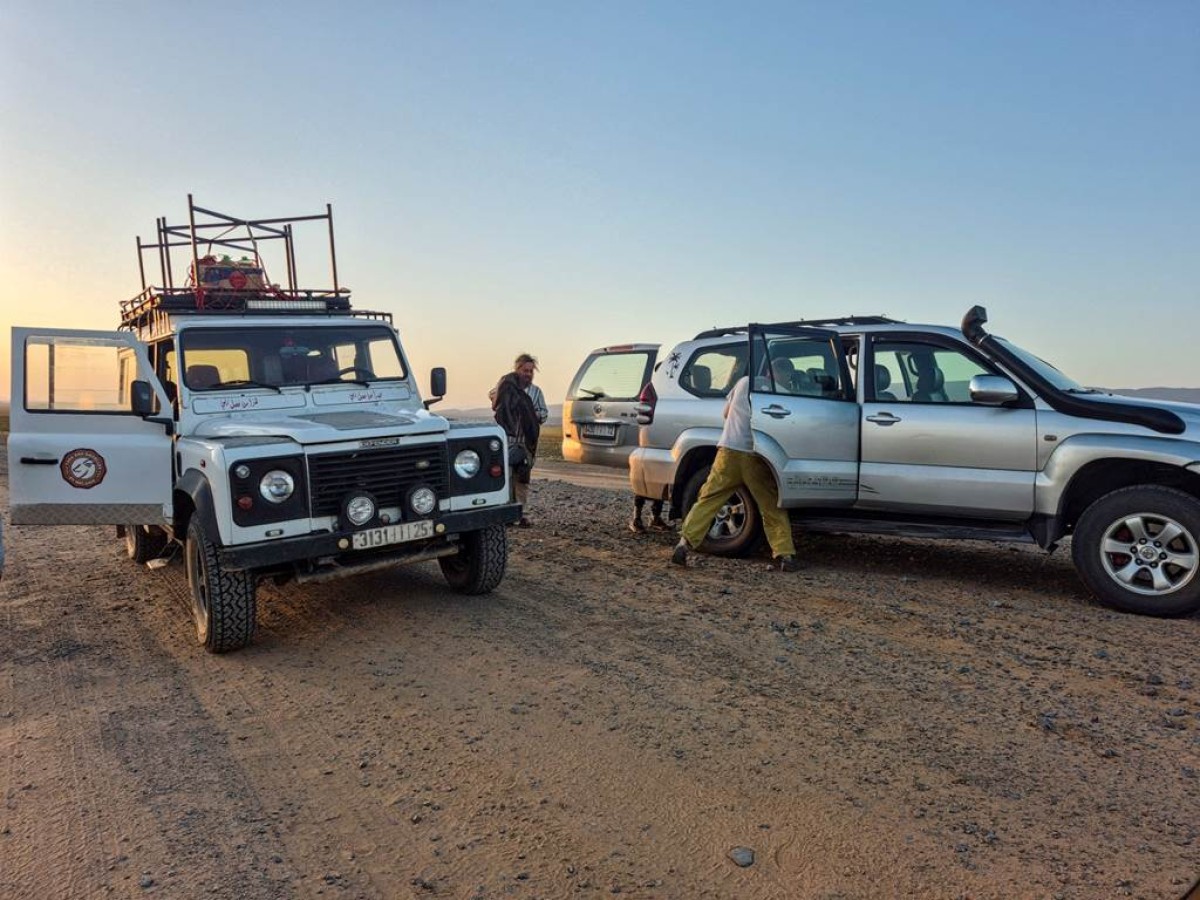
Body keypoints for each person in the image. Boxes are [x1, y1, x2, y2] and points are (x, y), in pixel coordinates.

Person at [670, 372, 799, 571]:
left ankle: (684, 543)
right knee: (770, 506)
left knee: (708, 499)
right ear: (783, 377)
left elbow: (725, 413)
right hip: (754, 455)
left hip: (728, 451)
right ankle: (785, 555)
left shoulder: (744, 382)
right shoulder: (779, 391)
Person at [492, 357, 544, 527]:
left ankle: (522, 514)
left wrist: (530, 413)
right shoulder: (506, 388)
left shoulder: (536, 392)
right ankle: (507, 513)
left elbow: (544, 414)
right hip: (506, 441)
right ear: (517, 370)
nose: (528, 374)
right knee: (505, 477)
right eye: (525, 371)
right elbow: (493, 397)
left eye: (531, 371)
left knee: (522, 479)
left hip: (525, 442)